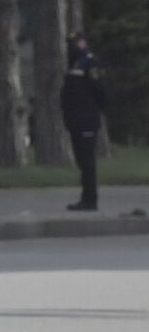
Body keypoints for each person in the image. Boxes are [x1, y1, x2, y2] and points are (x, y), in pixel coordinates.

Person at [60, 31, 106, 211]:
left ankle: (90, 199)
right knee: (82, 160)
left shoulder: (89, 63)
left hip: (86, 120)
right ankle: (85, 197)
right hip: (76, 120)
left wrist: (91, 112)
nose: (71, 47)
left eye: (73, 43)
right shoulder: (75, 64)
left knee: (87, 162)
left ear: (83, 43)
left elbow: (100, 92)